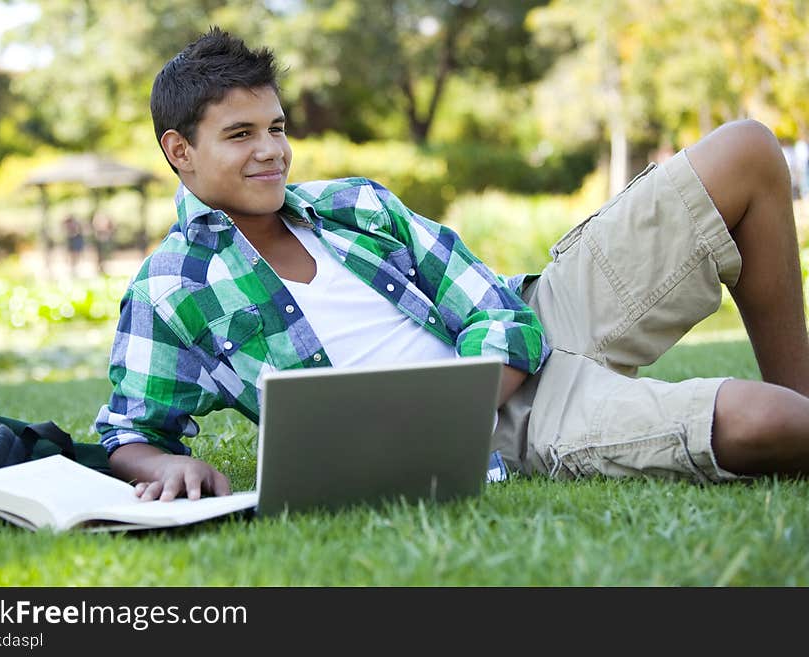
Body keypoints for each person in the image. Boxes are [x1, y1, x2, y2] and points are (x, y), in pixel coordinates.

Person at [95, 27, 809, 502]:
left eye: (277, 128)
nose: (271, 151)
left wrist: (467, 387)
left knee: (746, 149)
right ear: (180, 150)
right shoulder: (171, 288)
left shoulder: (354, 205)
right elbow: (127, 429)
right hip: (507, 427)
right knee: (764, 421)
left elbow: (495, 312)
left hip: (536, 320)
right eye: (241, 134)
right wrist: (164, 465)